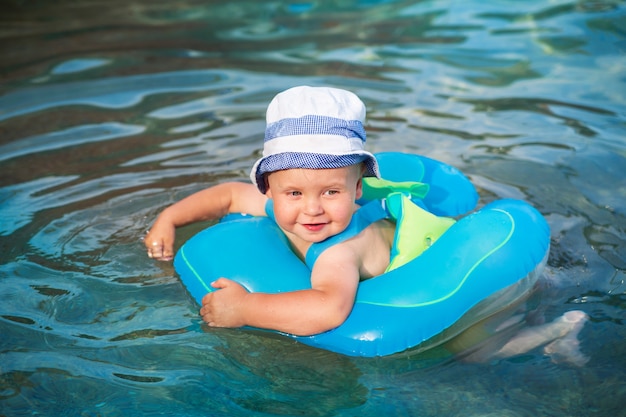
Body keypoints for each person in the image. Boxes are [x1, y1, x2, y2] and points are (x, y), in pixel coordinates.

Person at [145, 86, 395, 336]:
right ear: (268, 190)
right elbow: (230, 194)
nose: (312, 209)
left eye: (331, 192)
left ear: (358, 187)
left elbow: (328, 309)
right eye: (295, 193)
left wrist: (243, 308)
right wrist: (169, 218)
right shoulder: (289, 207)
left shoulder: (339, 253)